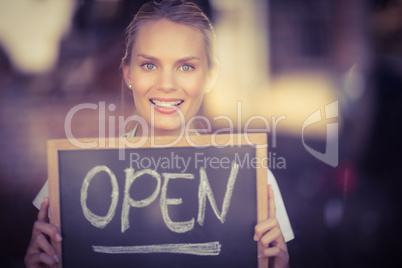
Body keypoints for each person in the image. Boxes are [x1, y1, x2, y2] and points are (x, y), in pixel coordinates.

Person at [24, 1, 294, 267]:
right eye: (149, 65)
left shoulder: (253, 179)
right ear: (128, 73)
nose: (166, 84)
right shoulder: (71, 177)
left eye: (186, 66)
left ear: (210, 76)